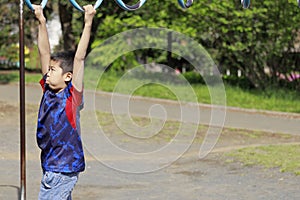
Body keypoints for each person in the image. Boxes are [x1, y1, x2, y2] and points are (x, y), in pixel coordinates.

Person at [32, 4, 96, 200]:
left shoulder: (71, 97)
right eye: (48, 69)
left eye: (53, 70)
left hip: (63, 168)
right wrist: (41, 21)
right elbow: (44, 53)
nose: (48, 73)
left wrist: (88, 22)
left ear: (68, 76)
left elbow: (79, 58)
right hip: (50, 164)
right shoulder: (48, 90)